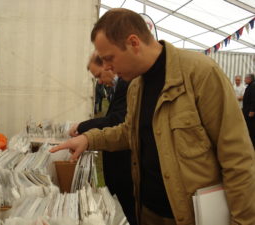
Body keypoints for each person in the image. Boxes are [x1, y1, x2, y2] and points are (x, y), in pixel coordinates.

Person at [51, 8, 255, 225]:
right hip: (147, 212)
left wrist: (243, 220)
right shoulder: (136, 86)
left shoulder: (200, 73)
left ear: (134, 43)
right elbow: (129, 132)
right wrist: (89, 138)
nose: (108, 67)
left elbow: (237, 156)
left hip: (191, 217)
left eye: (109, 58)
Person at [69, 52, 137, 225]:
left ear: (109, 66)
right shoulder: (121, 85)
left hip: (125, 169)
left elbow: (117, 121)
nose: (99, 82)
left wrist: (82, 128)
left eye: (98, 75)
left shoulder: (127, 84)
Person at [243, 73, 255, 148]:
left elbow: (254, 99)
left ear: (249, 79)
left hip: (250, 112)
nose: (244, 80)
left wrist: (252, 110)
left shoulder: (253, 86)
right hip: (247, 111)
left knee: (252, 128)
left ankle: (252, 143)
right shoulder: (250, 86)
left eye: (245, 78)